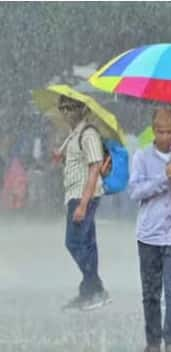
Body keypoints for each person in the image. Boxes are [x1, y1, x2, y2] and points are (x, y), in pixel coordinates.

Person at [128, 109, 171, 352]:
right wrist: (164, 178)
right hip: (148, 235)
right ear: (153, 130)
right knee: (150, 293)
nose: (165, 137)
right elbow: (135, 191)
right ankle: (152, 344)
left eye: (170, 131)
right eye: (160, 131)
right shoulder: (141, 157)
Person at [56, 96, 111, 311]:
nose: (67, 112)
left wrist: (83, 204)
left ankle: (96, 287)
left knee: (74, 242)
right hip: (74, 194)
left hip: (83, 195)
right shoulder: (73, 135)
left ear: (83, 109)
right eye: (63, 108)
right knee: (87, 243)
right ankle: (88, 291)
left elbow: (94, 167)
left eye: (72, 107)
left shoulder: (88, 134)